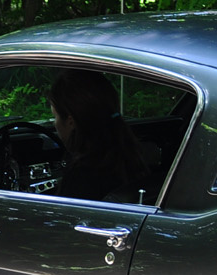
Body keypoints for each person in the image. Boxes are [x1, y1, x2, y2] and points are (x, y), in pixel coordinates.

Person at [48, 69, 152, 201]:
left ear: (70, 122)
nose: (53, 124)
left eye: (54, 116)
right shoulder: (130, 156)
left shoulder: (82, 177)